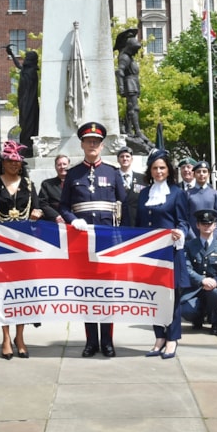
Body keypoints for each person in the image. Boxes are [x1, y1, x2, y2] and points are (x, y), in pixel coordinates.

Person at [60, 121, 127, 356]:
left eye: (96, 142)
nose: (92, 145)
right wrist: (71, 220)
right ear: (82, 144)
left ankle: (108, 341)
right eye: (88, 141)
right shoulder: (73, 174)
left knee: (106, 294)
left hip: (107, 243)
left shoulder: (112, 172)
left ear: (101, 145)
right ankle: (91, 341)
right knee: (87, 293)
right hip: (81, 243)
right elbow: (63, 206)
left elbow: (124, 205)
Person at [134, 150, 191, 359]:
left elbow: (184, 222)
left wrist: (180, 233)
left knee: (171, 297)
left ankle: (172, 338)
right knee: (153, 297)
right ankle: (159, 336)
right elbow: (139, 224)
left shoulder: (177, 193)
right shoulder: (143, 194)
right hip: (149, 254)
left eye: (162, 168)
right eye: (155, 168)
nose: (158, 171)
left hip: (170, 252)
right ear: (149, 170)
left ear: (168, 170)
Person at [0, 139, 43, 358]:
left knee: (21, 293)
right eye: (9, 161)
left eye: (17, 162)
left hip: (24, 245)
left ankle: (20, 336)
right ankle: (5, 337)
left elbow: (39, 208)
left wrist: (38, 213)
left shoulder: (28, 185)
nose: (13, 165)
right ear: (3, 162)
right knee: (3, 293)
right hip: (1, 245)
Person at [183, 210, 217, 335]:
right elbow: (186, 268)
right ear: (198, 225)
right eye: (203, 224)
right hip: (195, 289)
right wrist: (202, 280)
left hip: (214, 289)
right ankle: (197, 317)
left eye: (209, 224)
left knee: (214, 293)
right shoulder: (189, 246)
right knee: (186, 310)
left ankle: (215, 322)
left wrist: (215, 282)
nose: (206, 226)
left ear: (215, 225)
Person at [7, 45, 40, 149]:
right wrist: (12, 54)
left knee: (27, 125)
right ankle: (26, 146)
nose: (24, 59)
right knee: (24, 125)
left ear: (30, 60)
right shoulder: (27, 70)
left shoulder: (31, 73)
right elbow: (19, 66)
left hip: (28, 103)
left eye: (26, 58)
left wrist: (24, 102)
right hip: (23, 102)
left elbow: (29, 90)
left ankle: (27, 147)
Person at [186, 161, 217, 240]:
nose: (201, 174)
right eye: (198, 172)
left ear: (208, 174)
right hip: (193, 239)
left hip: (213, 239)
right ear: (194, 174)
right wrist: (193, 238)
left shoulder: (215, 194)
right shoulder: (187, 194)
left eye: (204, 171)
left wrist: (213, 236)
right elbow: (185, 218)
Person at [39, 154, 70, 224]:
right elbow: (43, 203)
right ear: (55, 167)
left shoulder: (75, 183)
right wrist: (56, 216)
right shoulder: (46, 184)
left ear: (69, 166)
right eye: (59, 164)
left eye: (64, 164)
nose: (62, 167)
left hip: (73, 222)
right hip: (54, 222)